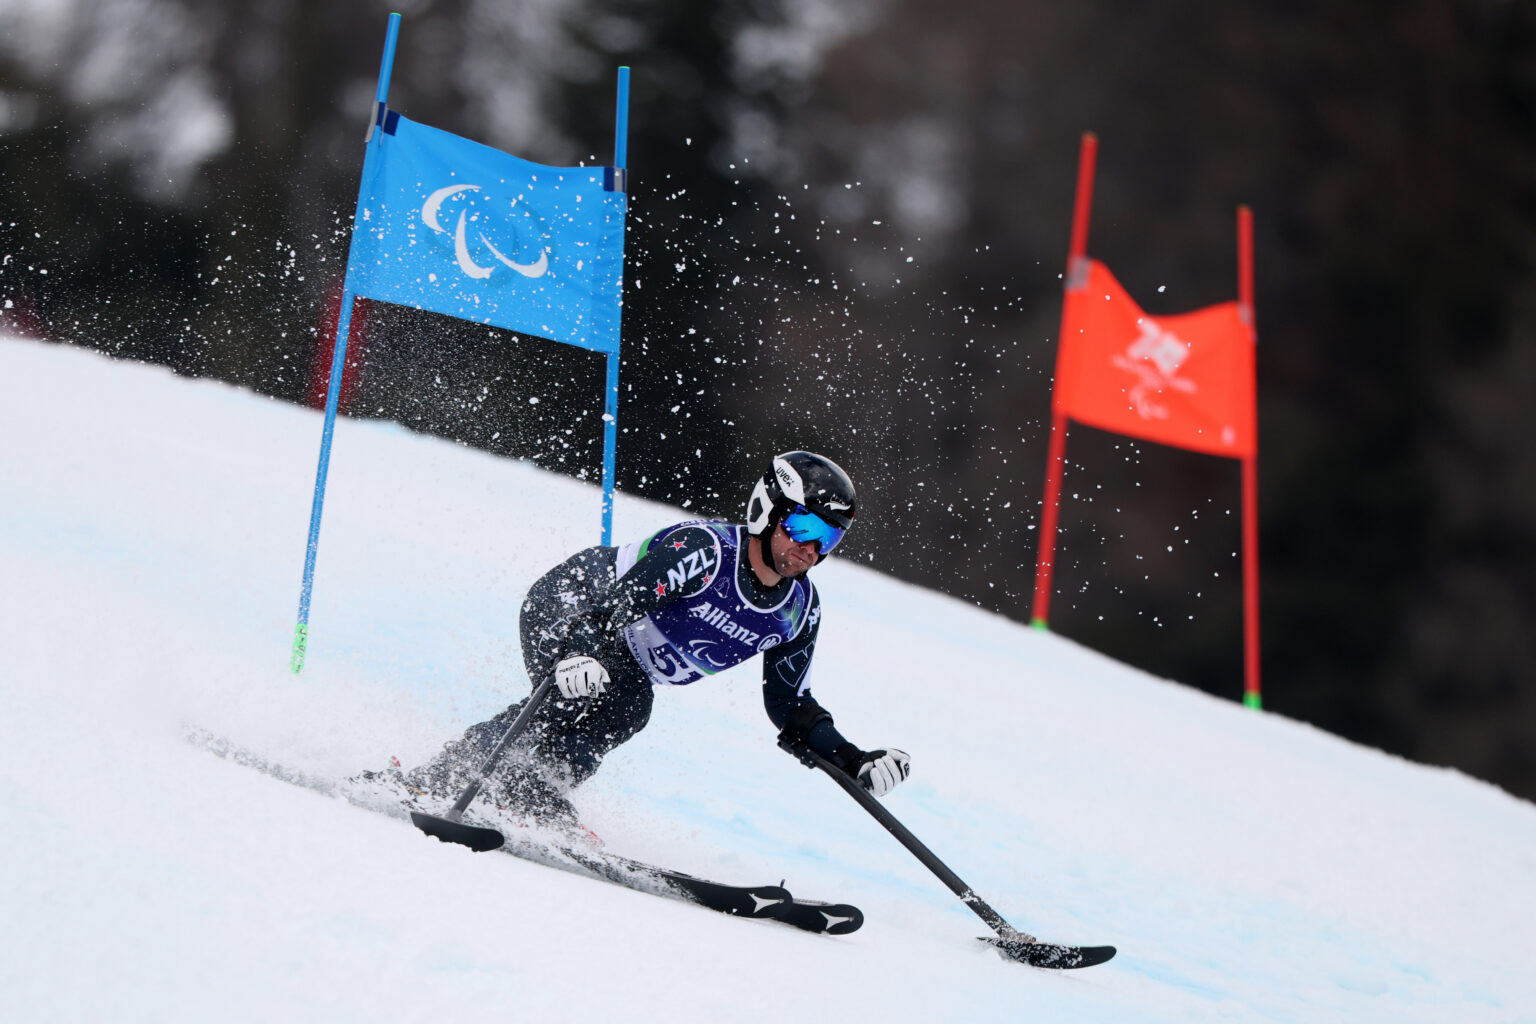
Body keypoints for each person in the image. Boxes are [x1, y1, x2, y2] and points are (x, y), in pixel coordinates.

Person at [365, 450, 910, 831]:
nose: (811, 549)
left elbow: (789, 706)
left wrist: (852, 759)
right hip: (573, 605)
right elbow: (608, 609)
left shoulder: (798, 609)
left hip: (617, 650)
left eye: (828, 538)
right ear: (767, 512)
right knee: (593, 696)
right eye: (804, 528)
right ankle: (447, 774)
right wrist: (578, 652)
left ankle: (529, 790)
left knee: (626, 705)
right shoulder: (703, 552)